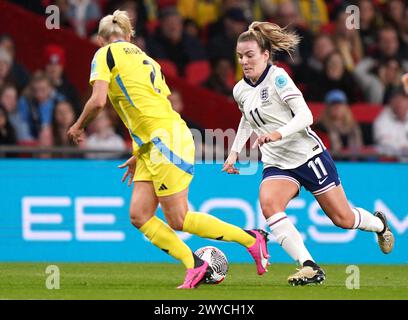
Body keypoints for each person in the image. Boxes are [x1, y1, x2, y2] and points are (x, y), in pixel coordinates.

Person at [67, 10, 269, 289]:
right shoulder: (147, 60)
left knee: (178, 218)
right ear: (128, 36)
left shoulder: (104, 54)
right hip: (156, 142)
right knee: (139, 215)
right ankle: (196, 265)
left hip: (165, 142)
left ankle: (251, 239)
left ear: (101, 40)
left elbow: (98, 101)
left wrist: (78, 126)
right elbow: (153, 108)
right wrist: (139, 153)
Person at [222, 21, 395, 286]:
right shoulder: (240, 89)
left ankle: (380, 225)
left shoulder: (278, 78)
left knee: (343, 219)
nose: (244, 61)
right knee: (269, 204)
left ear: (265, 55)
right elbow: (247, 118)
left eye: (250, 55)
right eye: (240, 56)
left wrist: (279, 133)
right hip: (277, 162)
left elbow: (306, 115)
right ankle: (309, 265)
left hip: (308, 156)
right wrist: (234, 152)